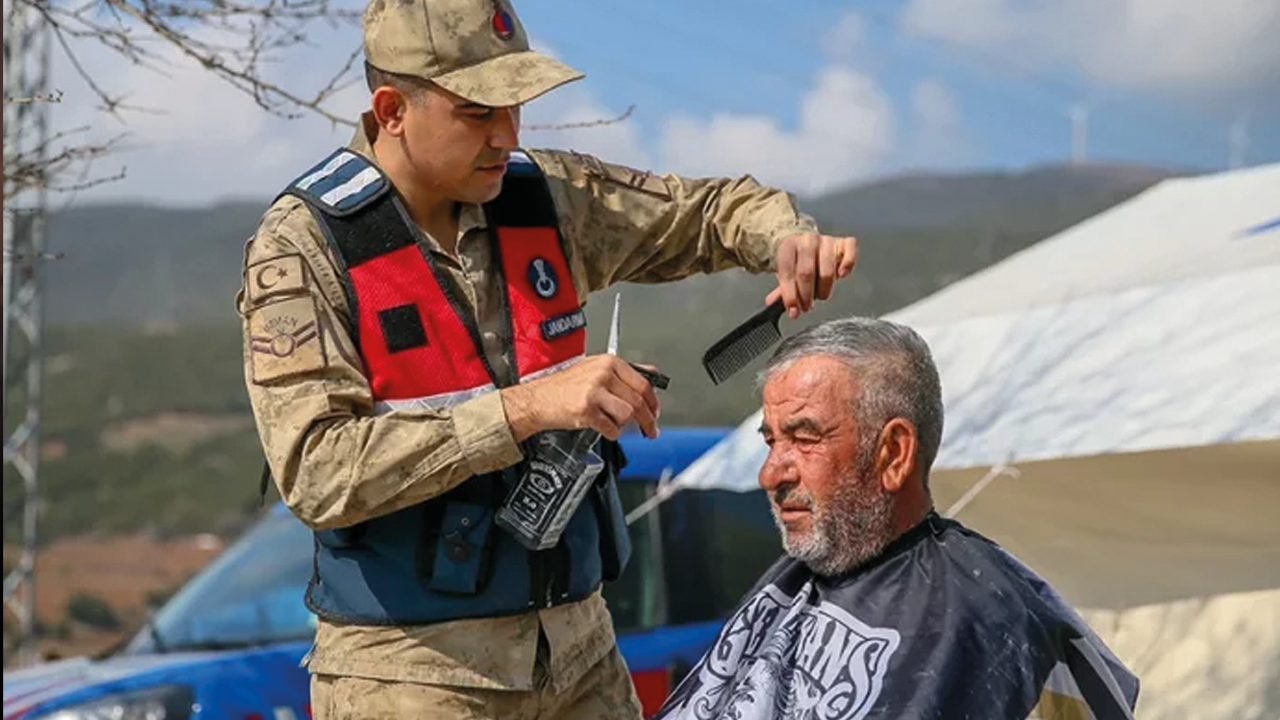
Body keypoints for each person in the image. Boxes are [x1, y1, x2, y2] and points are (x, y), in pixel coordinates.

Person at [234, 0, 858, 718]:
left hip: (581, 651)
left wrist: (784, 237)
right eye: (478, 111)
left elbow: (706, 210)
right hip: (410, 677)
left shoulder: (542, 196)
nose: (506, 134)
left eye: (517, 106)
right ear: (391, 109)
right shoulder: (301, 248)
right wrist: (531, 407)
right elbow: (316, 472)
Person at [652, 317, 1140, 720]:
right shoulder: (794, 584)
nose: (769, 474)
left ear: (893, 453)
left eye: (804, 438)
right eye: (771, 441)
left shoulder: (986, 618)